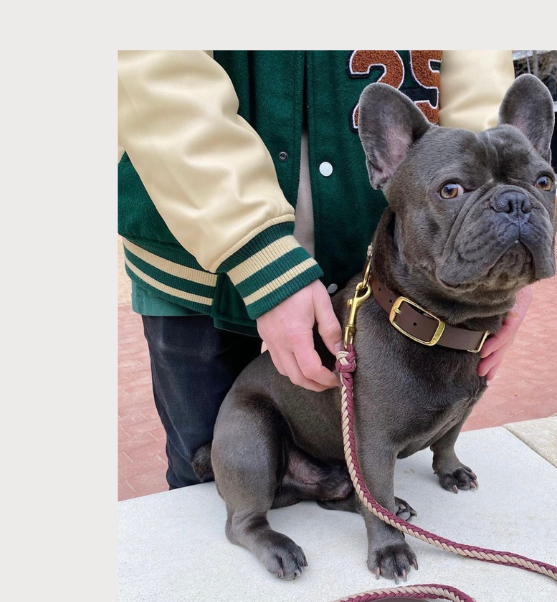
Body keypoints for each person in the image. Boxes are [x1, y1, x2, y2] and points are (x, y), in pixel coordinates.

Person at [118, 50, 532, 490]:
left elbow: (477, 67)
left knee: (376, 443)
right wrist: (253, 248)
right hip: (196, 263)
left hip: (395, 274)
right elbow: (156, 63)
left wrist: (496, 245)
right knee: (215, 482)